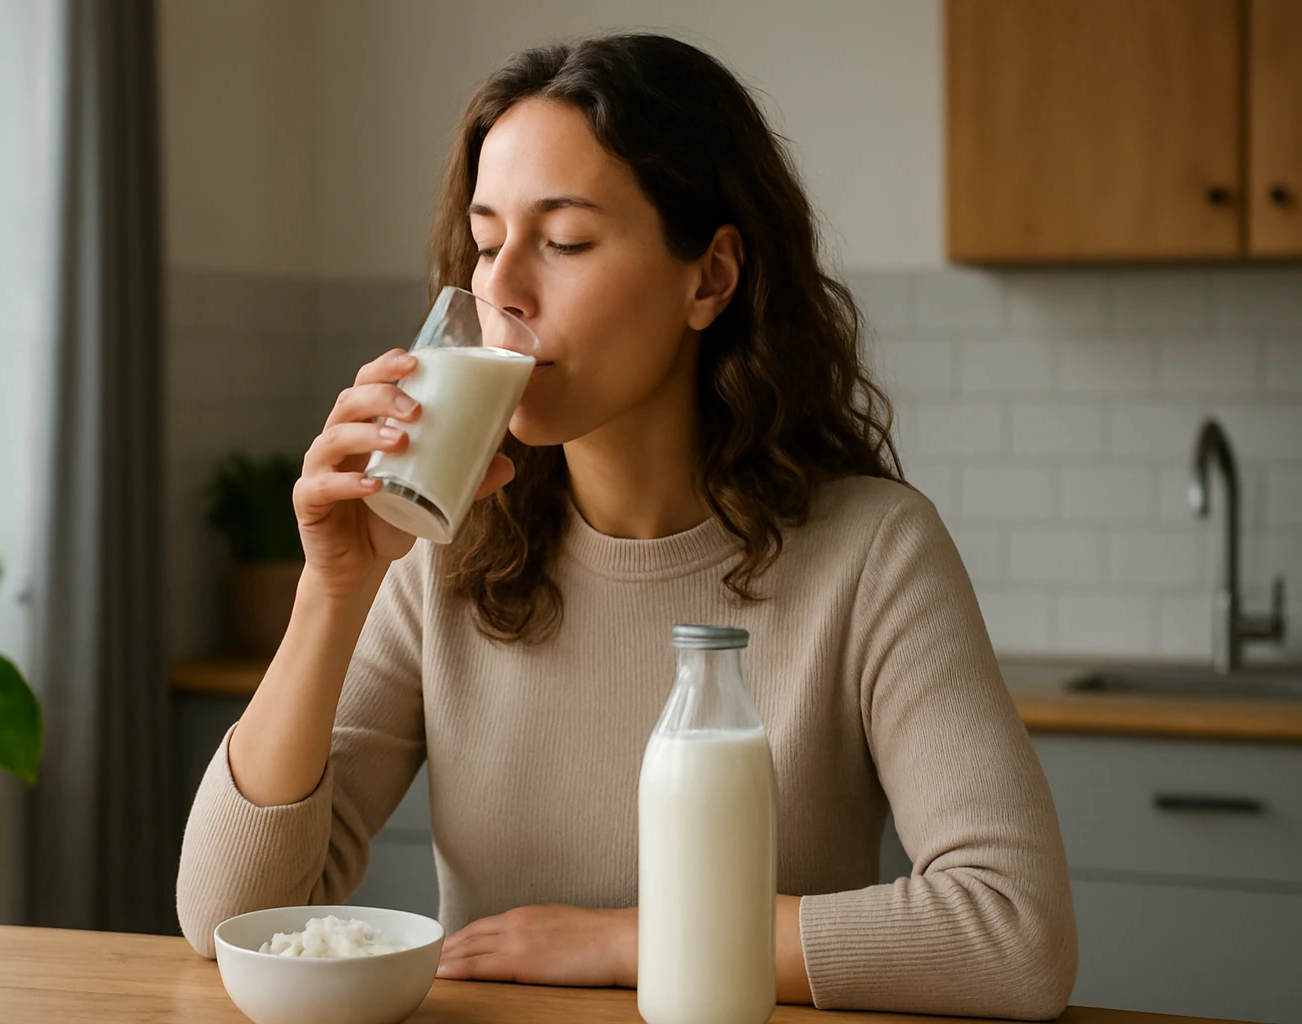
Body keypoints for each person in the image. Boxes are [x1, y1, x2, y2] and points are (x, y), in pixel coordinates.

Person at [176, 32, 1076, 1020]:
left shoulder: (873, 553)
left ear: (710, 279)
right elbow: (230, 915)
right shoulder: (443, 554)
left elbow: (1013, 932)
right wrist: (332, 591)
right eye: (485, 245)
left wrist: (632, 939)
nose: (504, 290)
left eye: (562, 242)